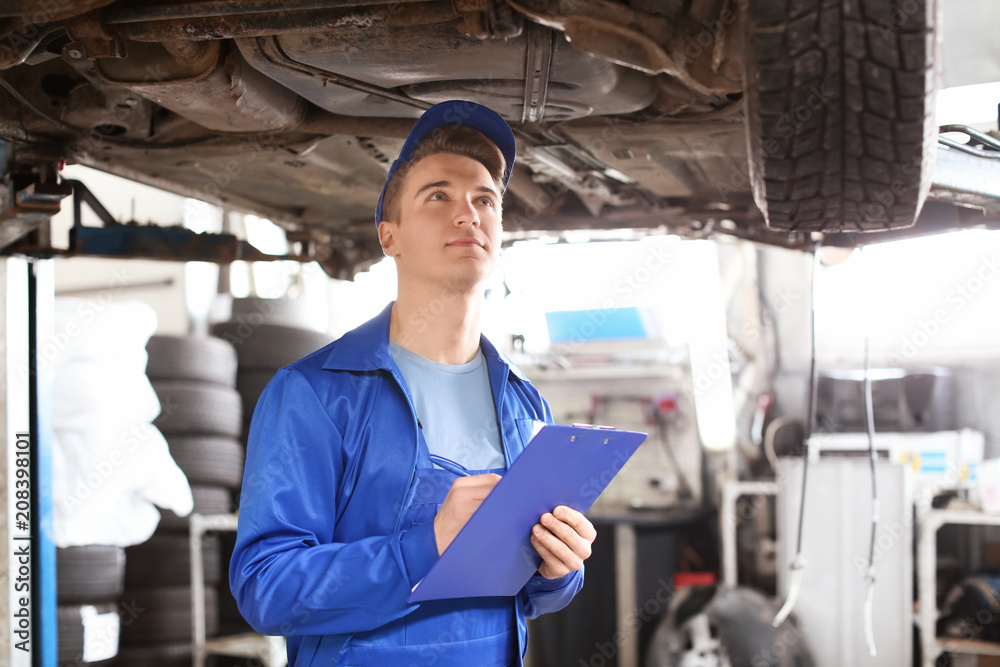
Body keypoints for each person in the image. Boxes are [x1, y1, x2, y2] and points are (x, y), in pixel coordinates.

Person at [229, 100, 596, 666]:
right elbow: (266, 587)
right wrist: (426, 548)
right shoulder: (316, 394)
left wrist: (558, 569)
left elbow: (525, 597)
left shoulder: (525, 405)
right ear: (389, 236)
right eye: (438, 195)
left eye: (485, 199)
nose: (467, 213)